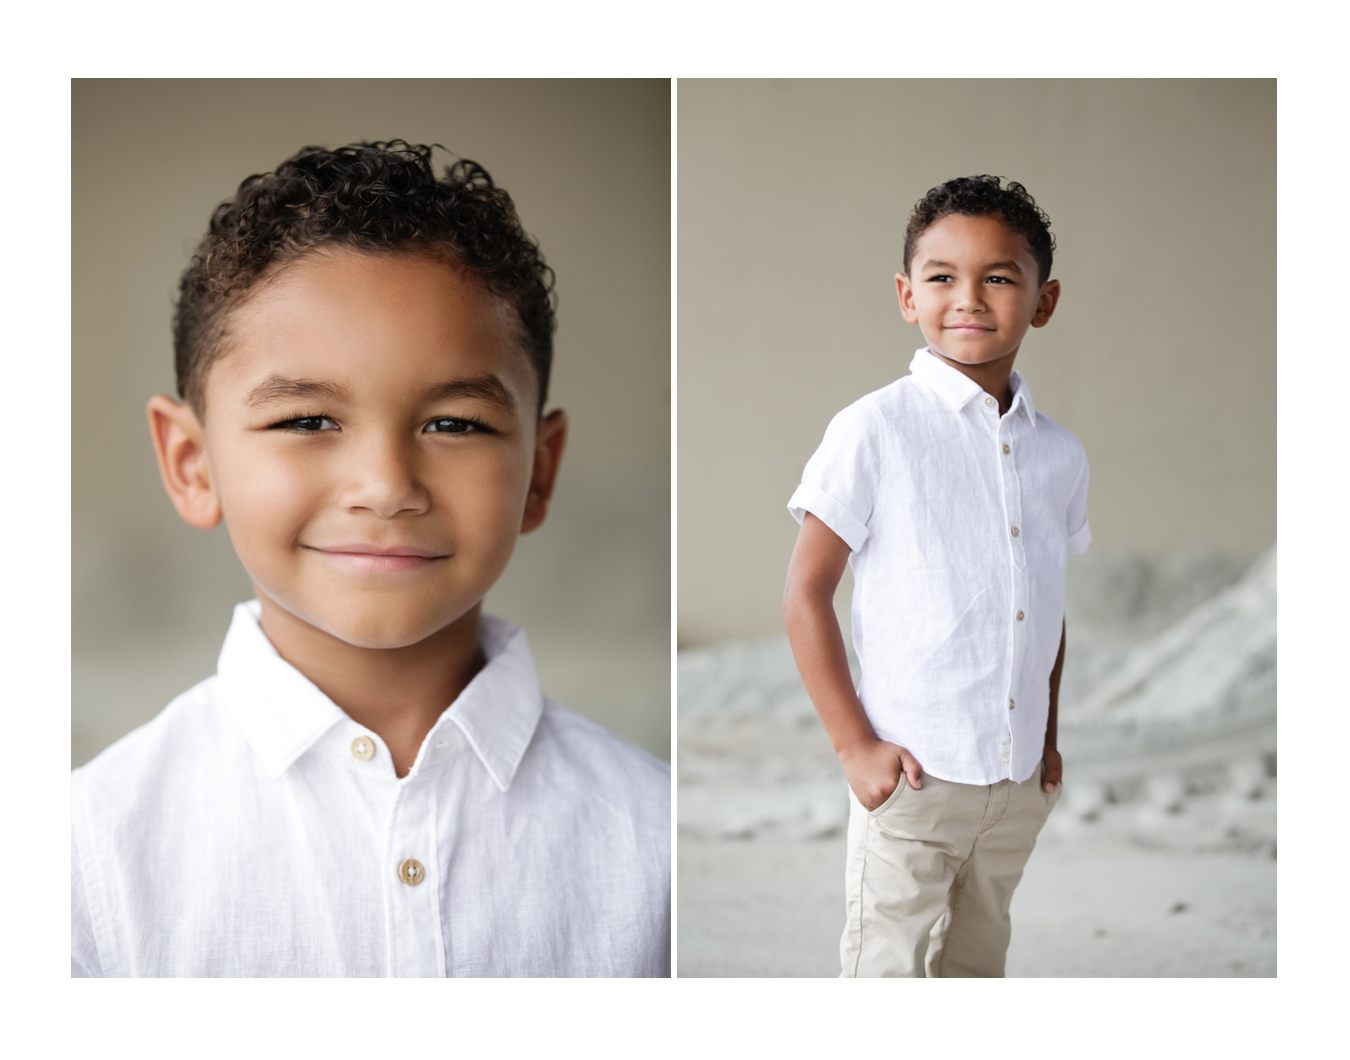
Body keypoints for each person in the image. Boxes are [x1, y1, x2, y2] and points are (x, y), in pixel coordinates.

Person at [71, 141, 670, 978]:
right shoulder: (86, 849)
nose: (387, 488)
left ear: (540, 469)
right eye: (307, 421)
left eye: (455, 423)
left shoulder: (656, 838)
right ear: (191, 462)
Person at [782, 175, 1090, 978]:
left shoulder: (1059, 454)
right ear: (906, 295)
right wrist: (856, 750)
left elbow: (1044, 609)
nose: (970, 298)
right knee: (887, 972)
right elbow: (805, 594)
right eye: (942, 276)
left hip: (1016, 780)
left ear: (1043, 300)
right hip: (914, 775)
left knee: (975, 967)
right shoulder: (874, 429)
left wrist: (1047, 740)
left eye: (999, 276)